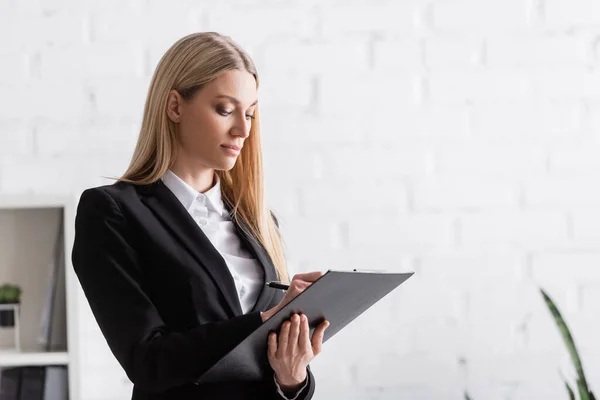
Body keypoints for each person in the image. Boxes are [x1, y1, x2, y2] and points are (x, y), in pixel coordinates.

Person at [71, 32, 329, 400]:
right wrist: (260, 323)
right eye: (225, 110)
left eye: (251, 113)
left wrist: (292, 378)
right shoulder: (113, 213)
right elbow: (147, 360)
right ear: (175, 106)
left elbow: (271, 371)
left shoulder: (257, 220)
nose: (243, 129)